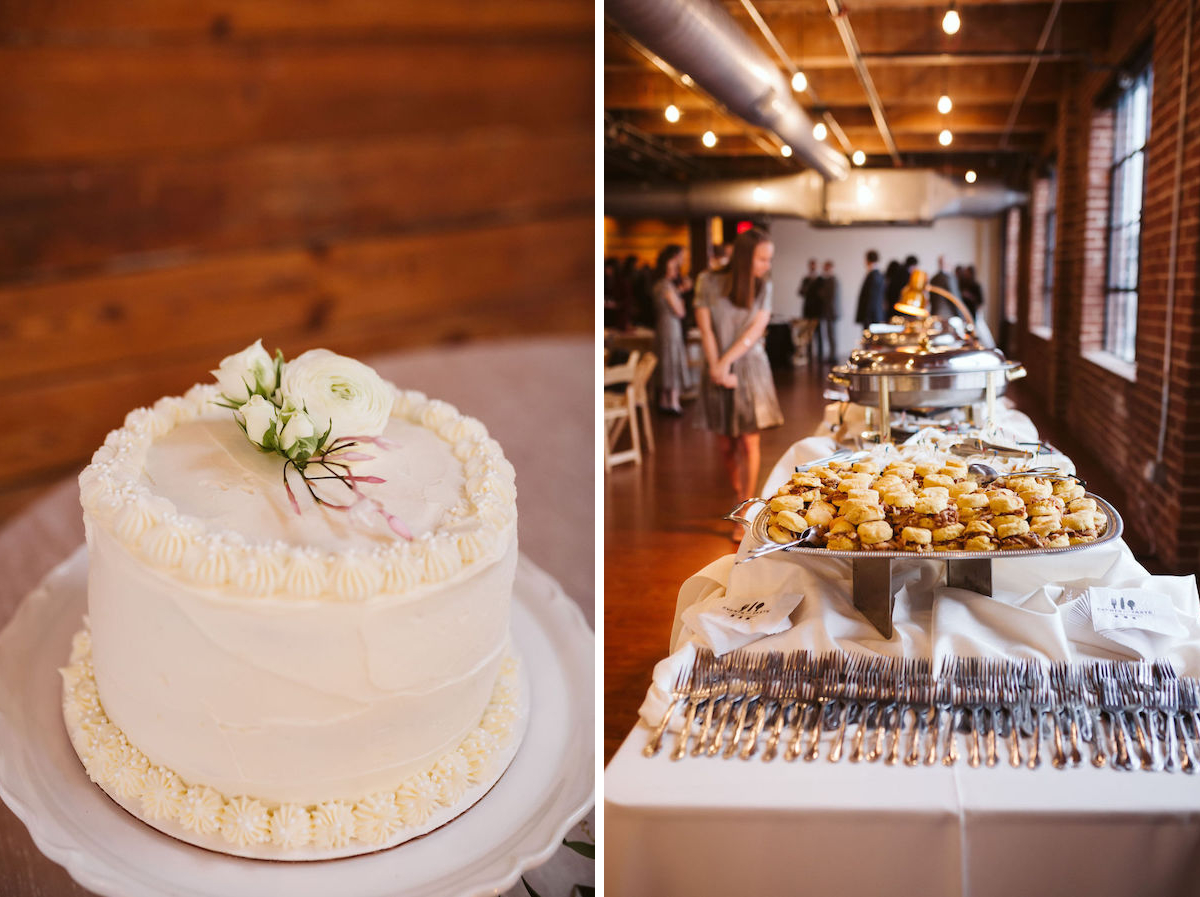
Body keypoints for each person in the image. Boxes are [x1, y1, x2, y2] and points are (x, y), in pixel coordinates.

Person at [695, 228, 784, 541]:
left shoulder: (763, 286)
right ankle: (739, 496)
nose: (766, 265)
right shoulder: (707, 281)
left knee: (749, 440)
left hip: (749, 367)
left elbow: (755, 331)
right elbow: (705, 330)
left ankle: (744, 510)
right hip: (717, 365)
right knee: (725, 444)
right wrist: (716, 365)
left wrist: (725, 363)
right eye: (762, 258)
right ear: (746, 257)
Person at [651, 244, 693, 415]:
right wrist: (682, 296)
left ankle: (664, 401)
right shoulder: (666, 286)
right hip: (671, 327)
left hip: (662, 326)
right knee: (672, 362)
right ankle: (673, 402)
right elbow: (680, 311)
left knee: (665, 362)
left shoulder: (660, 285)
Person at [814, 259, 841, 363]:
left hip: (832, 312)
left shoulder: (832, 280)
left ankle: (833, 356)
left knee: (832, 335)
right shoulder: (829, 280)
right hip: (829, 312)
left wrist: (821, 293)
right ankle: (831, 355)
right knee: (829, 335)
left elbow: (830, 296)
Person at [854, 249, 887, 327]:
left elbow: (871, 299)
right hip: (873, 316)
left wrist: (867, 317)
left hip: (871, 317)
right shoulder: (877, 274)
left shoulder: (874, 275)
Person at [798, 259, 821, 364]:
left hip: (817, 311)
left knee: (818, 334)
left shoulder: (820, 280)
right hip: (807, 310)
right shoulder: (806, 279)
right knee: (807, 334)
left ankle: (820, 355)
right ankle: (809, 355)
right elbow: (800, 292)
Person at [929, 255, 961, 319]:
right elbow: (955, 298)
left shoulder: (934, 278)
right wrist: (961, 316)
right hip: (948, 315)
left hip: (935, 313)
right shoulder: (949, 278)